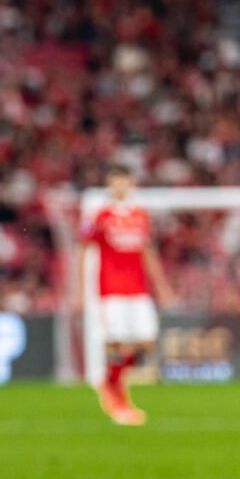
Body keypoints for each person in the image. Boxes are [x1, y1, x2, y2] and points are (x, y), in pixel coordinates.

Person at [78, 164, 173, 425]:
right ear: (109, 183)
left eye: (124, 180)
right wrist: (79, 289)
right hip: (110, 289)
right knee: (117, 343)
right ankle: (117, 397)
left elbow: (147, 252)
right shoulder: (99, 214)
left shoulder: (140, 214)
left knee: (146, 342)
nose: (119, 185)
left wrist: (162, 286)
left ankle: (109, 383)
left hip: (138, 288)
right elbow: (83, 249)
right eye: (115, 180)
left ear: (130, 183)